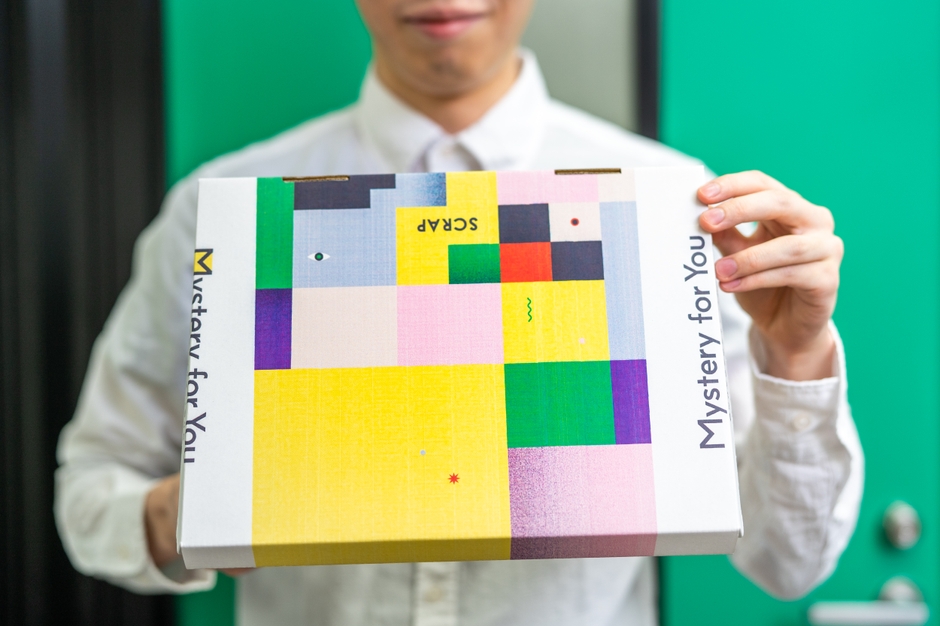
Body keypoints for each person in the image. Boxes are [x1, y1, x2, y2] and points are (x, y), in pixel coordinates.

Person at [54, 0, 863, 624]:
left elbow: (788, 562)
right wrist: (192, 510)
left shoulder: (672, 210)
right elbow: (89, 495)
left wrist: (796, 357)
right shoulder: (221, 215)